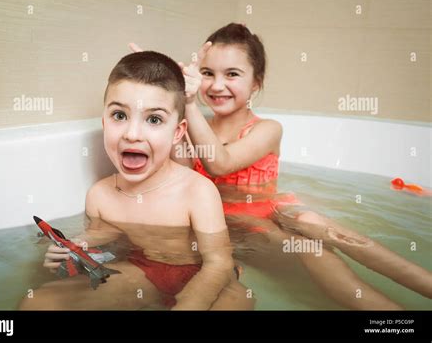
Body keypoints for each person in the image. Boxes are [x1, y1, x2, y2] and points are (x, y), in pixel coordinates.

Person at [131, 22, 432, 309]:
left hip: (271, 208)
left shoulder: (267, 129)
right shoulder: (190, 125)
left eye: (232, 74)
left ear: (256, 83)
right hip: (236, 223)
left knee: (315, 221)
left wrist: (190, 103)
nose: (217, 84)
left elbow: (219, 164)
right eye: (207, 73)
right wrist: (164, 91)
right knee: (311, 251)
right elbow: (182, 174)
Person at [19, 50, 254, 310]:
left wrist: (189, 304)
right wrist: (70, 251)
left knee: (238, 301)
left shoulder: (197, 191)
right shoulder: (100, 195)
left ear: (177, 133)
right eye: (119, 116)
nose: (133, 134)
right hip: (145, 272)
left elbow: (218, 262)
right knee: (40, 303)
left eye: (154, 119)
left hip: (205, 276)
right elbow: (103, 238)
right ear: (104, 122)